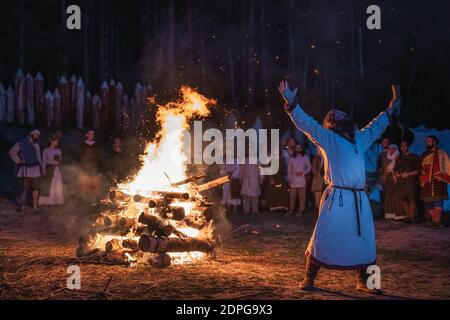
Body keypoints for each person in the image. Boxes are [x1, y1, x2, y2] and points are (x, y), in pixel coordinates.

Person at [279, 80, 397, 294]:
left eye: (341, 112)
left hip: (359, 200)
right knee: (324, 236)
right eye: (336, 113)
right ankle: (308, 277)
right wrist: (293, 104)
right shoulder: (328, 138)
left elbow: (376, 125)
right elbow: (307, 125)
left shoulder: (359, 139)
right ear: (332, 122)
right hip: (338, 199)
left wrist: (391, 109)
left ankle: (367, 282)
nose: (340, 113)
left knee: (365, 241)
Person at [9, 129, 43, 213]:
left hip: (35, 169)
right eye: (36, 134)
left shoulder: (37, 145)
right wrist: (19, 160)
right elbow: (12, 152)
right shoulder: (22, 143)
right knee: (24, 188)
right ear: (31, 134)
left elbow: (38, 157)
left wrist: (42, 167)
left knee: (36, 188)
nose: (37, 136)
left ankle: (35, 205)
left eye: (38, 135)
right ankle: (22, 205)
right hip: (26, 169)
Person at [419, 135, 450, 227]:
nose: (427, 142)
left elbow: (447, 166)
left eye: (429, 141)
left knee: (437, 202)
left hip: (438, 181)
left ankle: (437, 222)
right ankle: (433, 222)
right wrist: (421, 171)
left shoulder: (442, 153)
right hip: (426, 182)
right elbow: (419, 168)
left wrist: (440, 174)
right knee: (428, 203)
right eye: (426, 141)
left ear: (434, 142)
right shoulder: (424, 155)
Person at [394, 141, 420, 223]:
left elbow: (418, 170)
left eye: (405, 146)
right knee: (404, 199)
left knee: (412, 199)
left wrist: (407, 174)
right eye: (401, 146)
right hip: (401, 182)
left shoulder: (414, 156)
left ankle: (411, 217)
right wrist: (397, 174)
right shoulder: (399, 158)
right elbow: (395, 170)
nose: (403, 148)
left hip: (411, 181)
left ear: (408, 146)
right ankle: (408, 217)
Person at [39, 134, 64, 206]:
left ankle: (56, 201)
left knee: (57, 183)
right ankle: (48, 201)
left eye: (57, 141)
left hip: (56, 168)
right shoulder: (46, 150)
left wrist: (59, 159)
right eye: (56, 141)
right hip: (49, 168)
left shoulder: (58, 150)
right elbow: (44, 161)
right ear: (51, 141)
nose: (57, 142)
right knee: (49, 184)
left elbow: (61, 160)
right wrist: (43, 170)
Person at [78, 129, 102, 204]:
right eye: (90, 134)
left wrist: (99, 169)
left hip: (94, 168)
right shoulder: (83, 145)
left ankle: (94, 202)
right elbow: (80, 157)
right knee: (85, 185)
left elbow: (99, 158)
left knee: (94, 185)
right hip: (85, 168)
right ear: (87, 135)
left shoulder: (96, 145)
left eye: (93, 134)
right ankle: (85, 202)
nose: (91, 135)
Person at [287, 144, 311, 216]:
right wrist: (289, 178)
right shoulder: (292, 158)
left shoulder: (305, 157)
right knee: (292, 195)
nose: (298, 149)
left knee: (302, 196)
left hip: (301, 179)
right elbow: (289, 169)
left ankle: (301, 211)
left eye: (300, 147)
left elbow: (309, 167)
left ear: (301, 148)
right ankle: (291, 209)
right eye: (297, 148)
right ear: (295, 149)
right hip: (293, 179)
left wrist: (303, 173)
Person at [384, 144, 404, 220]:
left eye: (393, 149)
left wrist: (395, 175)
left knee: (397, 196)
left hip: (396, 178)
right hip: (389, 179)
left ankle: (399, 215)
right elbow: (386, 170)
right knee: (389, 196)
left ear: (396, 150)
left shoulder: (399, 158)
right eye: (390, 149)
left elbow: (399, 168)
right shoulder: (388, 159)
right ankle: (390, 215)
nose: (391, 150)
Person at [377, 137, 391, 211]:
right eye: (384, 142)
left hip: (391, 177)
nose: (385, 143)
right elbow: (379, 167)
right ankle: (384, 212)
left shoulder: (392, 153)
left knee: (390, 196)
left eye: (387, 142)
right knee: (383, 195)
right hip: (383, 179)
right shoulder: (380, 155)